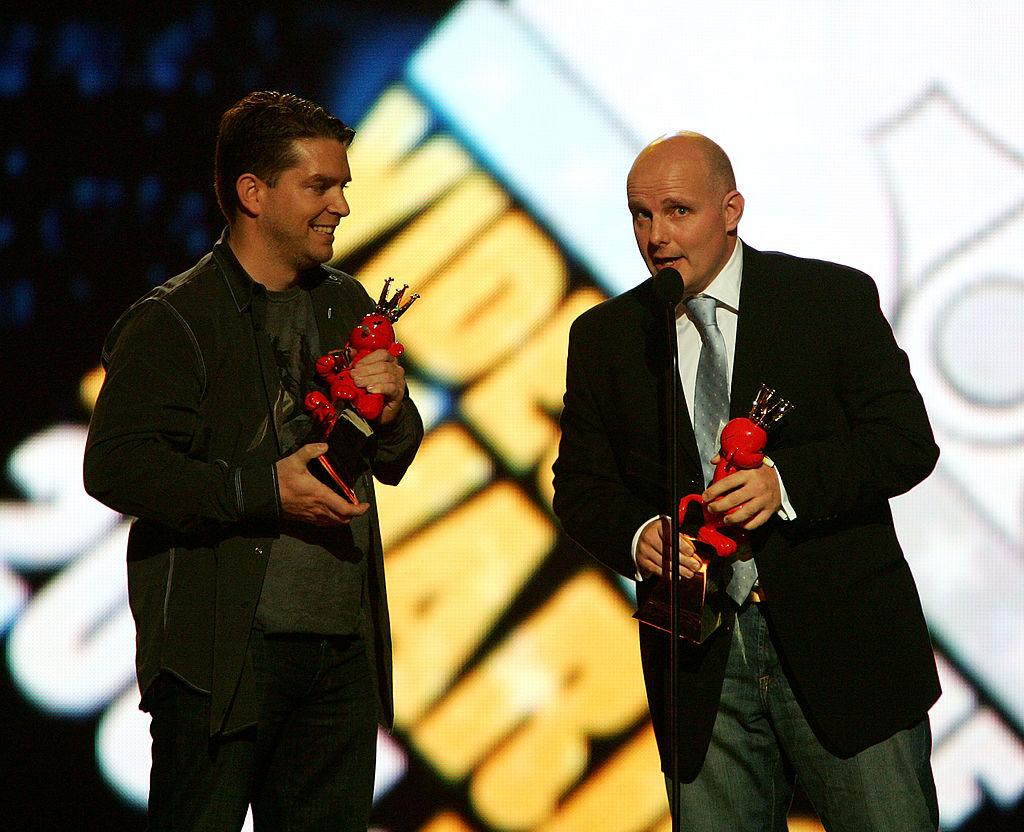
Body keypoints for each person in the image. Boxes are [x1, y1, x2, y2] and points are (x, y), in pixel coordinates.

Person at [552, 132, 941, 830]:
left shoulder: (827, 299)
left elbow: (904, 444)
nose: (656, 236)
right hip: (698, 666)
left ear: (731, 209)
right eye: (640, 215)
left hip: (843, 649)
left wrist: (783, 486)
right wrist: (640, 534)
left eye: (677, 211)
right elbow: (580, 486)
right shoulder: (607, 335)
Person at [84, 91, 423, 832]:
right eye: (320, 187)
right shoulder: (173, 320)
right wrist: (263, 490)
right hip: (222, 659)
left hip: (340, 657)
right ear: (253, 193)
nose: (340, 205)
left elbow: (393, 455)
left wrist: (393, 410)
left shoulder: (347, 303)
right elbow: (116, 467)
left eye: (343, 187)